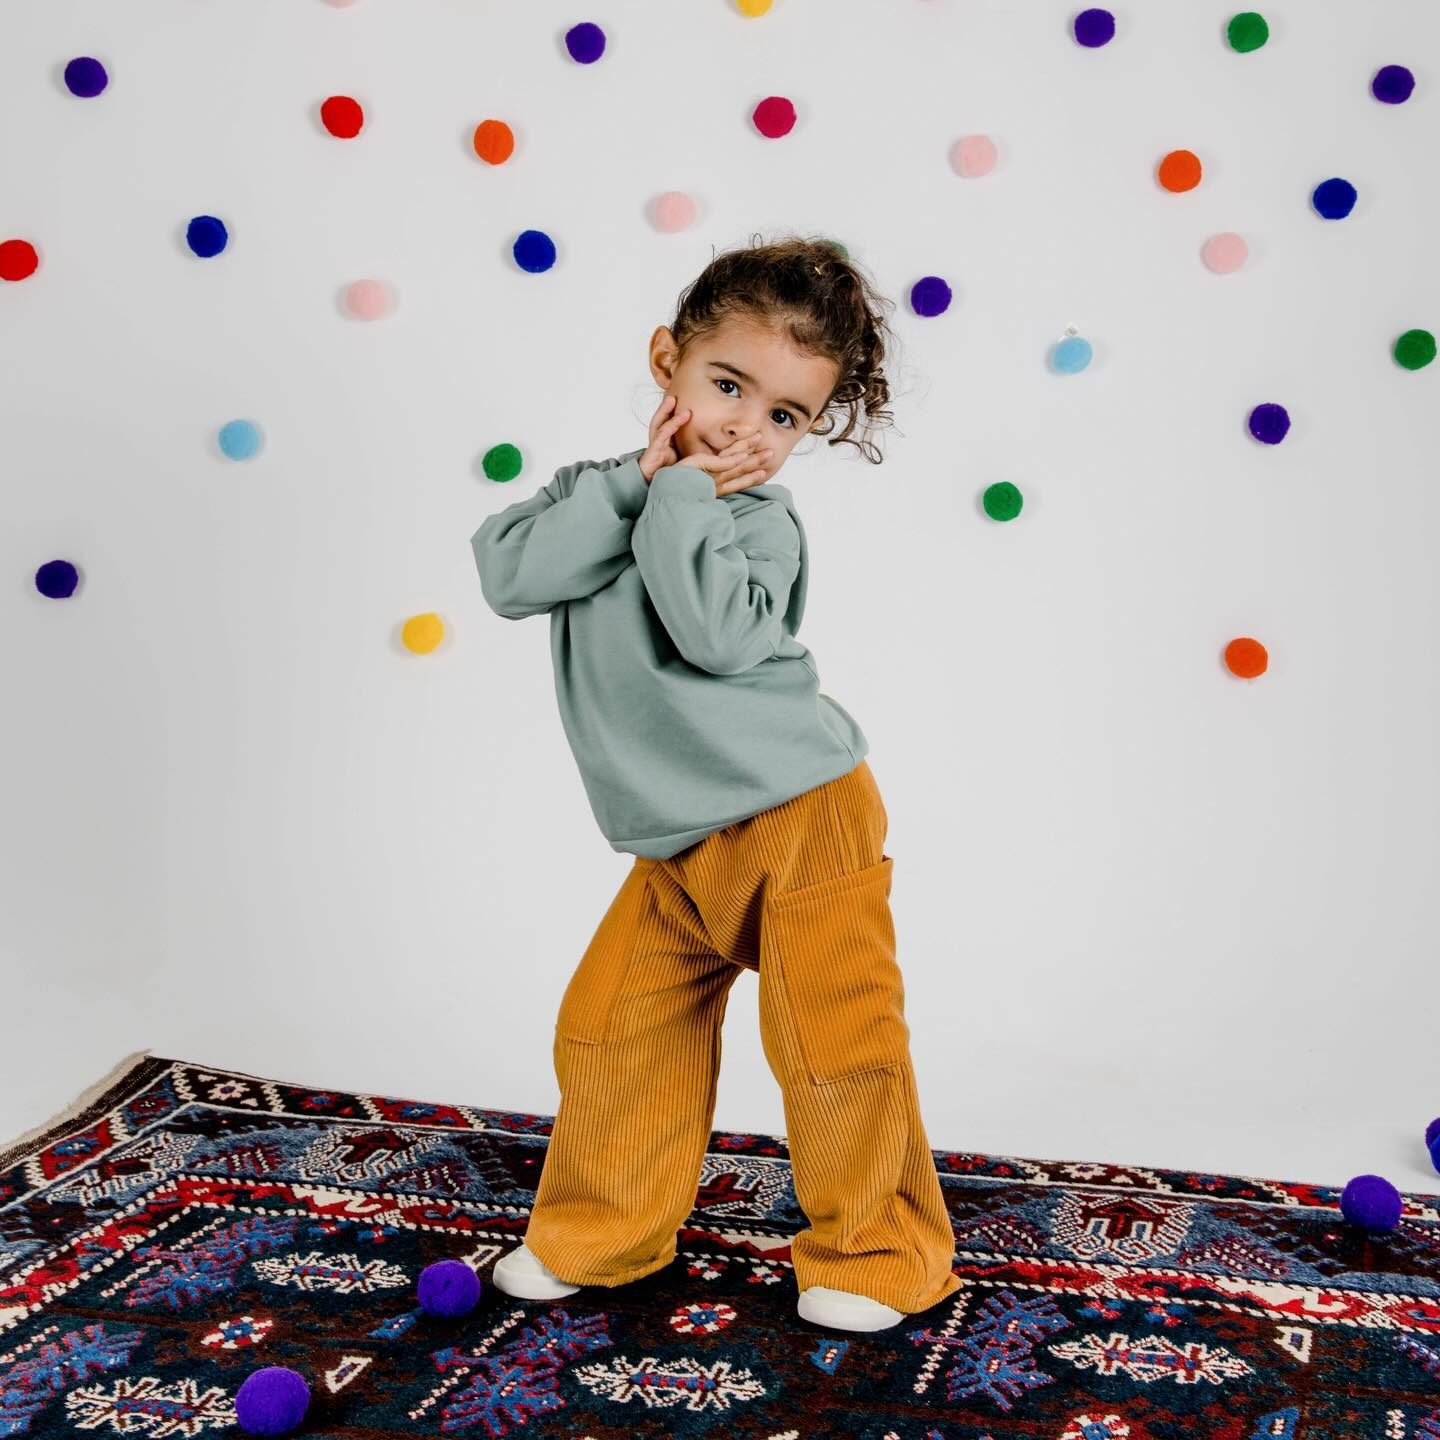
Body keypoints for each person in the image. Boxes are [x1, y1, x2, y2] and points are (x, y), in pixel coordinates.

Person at [469, 234, 961, 1332]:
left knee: (833, 1041)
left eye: (785, 415)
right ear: (667, 362)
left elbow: (718, 637)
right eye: (728, 386)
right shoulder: (597, 495)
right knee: (614, 1026)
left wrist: (686, 497)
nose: (747, 428)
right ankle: (603, 1234)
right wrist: (639, 485)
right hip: (681, 840)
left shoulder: (755, 521)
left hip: (800, 814)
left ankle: (878, 1255)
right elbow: (510, 574)